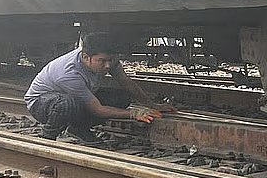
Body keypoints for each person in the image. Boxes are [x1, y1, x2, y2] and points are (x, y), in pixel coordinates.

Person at [24, 33, 168, 142]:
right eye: (102, 61)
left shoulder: (107, 60)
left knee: (121, 97)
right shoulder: (68, 73)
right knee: (66, 104)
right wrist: (133, 113)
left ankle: (78, 129)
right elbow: (97, 109)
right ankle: (47, 136)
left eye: (110, 61)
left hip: (74, 99)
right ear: (86, 57)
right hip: (41, 103)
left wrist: (151, 105)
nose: (107, 66)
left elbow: (126, 82)